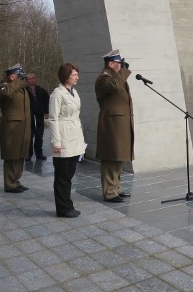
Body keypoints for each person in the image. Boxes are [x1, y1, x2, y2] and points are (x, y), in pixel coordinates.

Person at [95, 50, 134, 203]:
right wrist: (123, 71)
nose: (121, 66)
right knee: (111, 158)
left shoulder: (114, 78)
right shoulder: (103, 79)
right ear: (111, 64)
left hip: (119, 125)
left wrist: (121, 71)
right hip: (111, 126)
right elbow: (115, 87)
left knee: (118, 158)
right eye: (118, 64)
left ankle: (116, 188)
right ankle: (109, 192)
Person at [49, 63, 86, 218]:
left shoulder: (74, 92)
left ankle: (67, 204)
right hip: (63, 136)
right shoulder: (57, 94)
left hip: (75, 136)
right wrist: (56, 142)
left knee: (69, 174)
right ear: (66, 76)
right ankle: (63, 208)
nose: (77, 77)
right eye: (74, 74)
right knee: (62, 176)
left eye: (77, 74)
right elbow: (53, 119)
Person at [0, 64, 31, 193]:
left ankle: (16, 181)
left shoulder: (21, 89)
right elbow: (8, 94)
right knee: (11, 156)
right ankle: (9, 184)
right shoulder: (3, 87)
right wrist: (19, 82)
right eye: (19, 76)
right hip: (11, 128)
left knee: (20, 155)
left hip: (23, 126)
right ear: (12, 76)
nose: (22, 79)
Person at [25, 73, 50, 161]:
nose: (32, 80)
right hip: (29, 117)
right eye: (30, 79)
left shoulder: (41, 90)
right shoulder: (24, 91)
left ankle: (39, 153)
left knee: (39, 136)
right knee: (29, 136)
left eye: (33, 78)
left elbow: (47, 101)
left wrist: (46, 112)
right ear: (27, 80)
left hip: (39, 116)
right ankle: (28, 154)